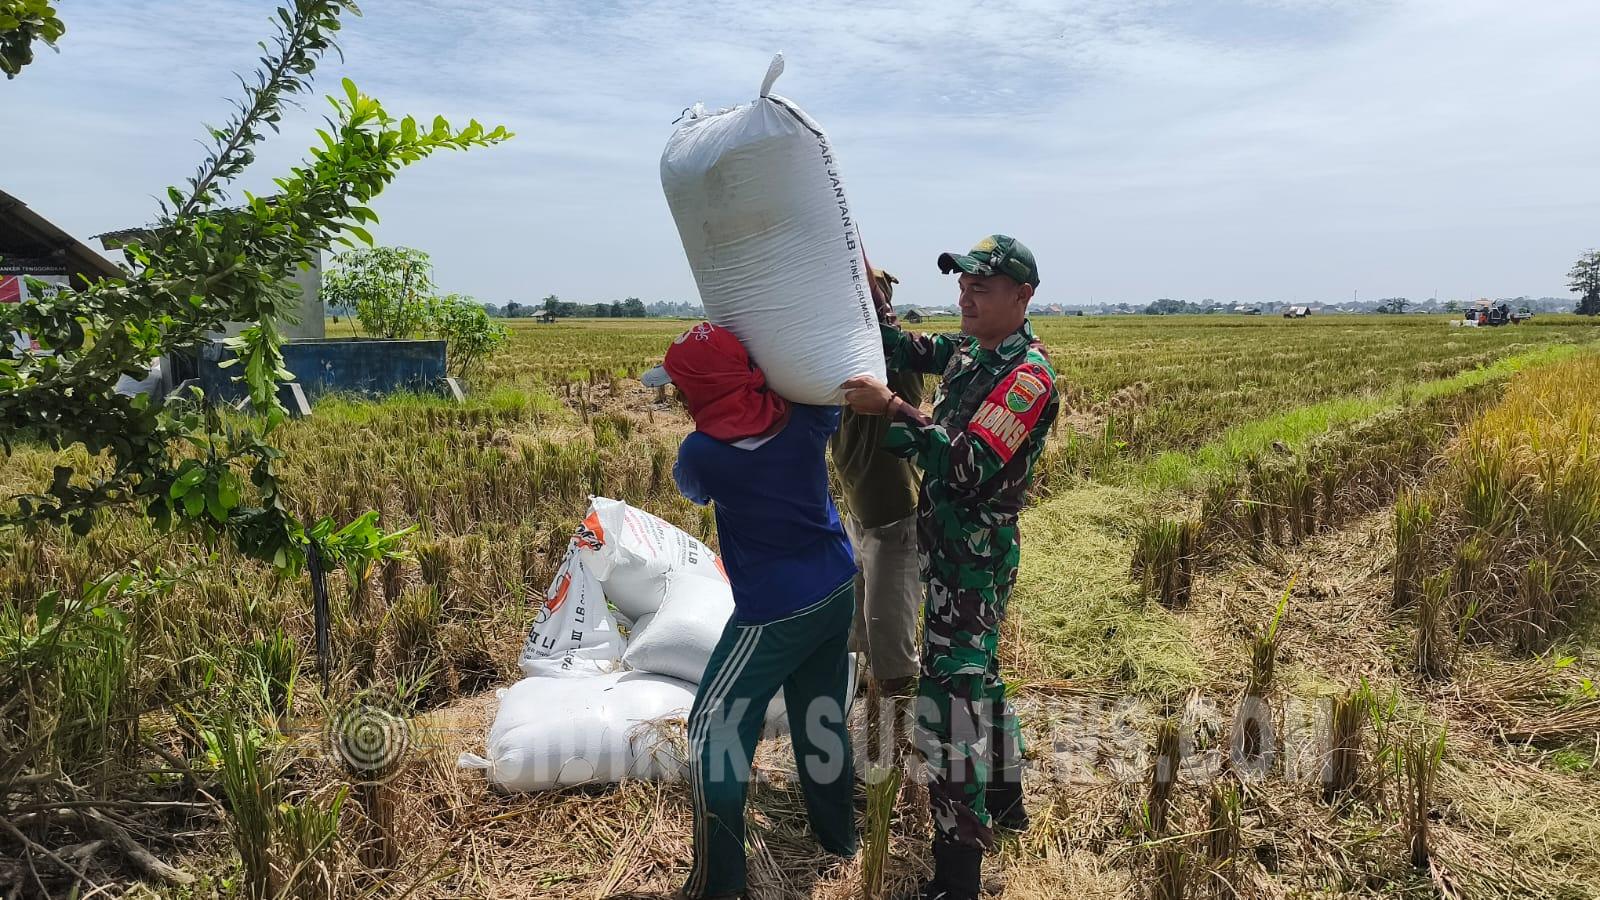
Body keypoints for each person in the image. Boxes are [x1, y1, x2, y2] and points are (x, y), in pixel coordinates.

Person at [841, 235, 1059, 900]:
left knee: (949, 712)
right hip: (949, 554)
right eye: (962, 285)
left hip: (974, 564)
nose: (965, 297)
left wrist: (894, 409)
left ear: (1022, 296)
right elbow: (903, 345)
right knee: (979, 682)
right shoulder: (969, 350)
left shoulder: (1026, 380)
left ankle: (957, 878)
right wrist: (864, 280)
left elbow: (967, 462)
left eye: (981, 287)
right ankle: (1009, 802)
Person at [642, 322, 858, 900]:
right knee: (820, 716)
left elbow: (692, 489)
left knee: (711, 728)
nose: (678, 398)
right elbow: (823, 398)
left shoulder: (703, 453)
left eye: (682, 388)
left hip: (775, 612)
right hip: (837, 586)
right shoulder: (804, 419)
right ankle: (840, 840)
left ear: (702, 392)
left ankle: (719, 882)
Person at [830, 268, 925, 703]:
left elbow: (899, 357)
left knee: (891, 647)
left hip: (893, 522)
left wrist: (876, 302)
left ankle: (899, 726)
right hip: (858, 516)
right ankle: (868, 710)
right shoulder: (834, 368)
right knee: (859, 633)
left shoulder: (894, 372)